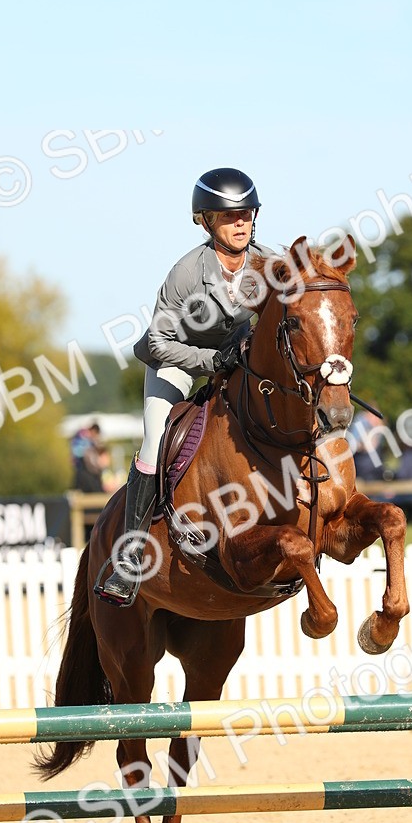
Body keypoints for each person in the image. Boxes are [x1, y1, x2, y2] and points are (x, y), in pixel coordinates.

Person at [98, 167, 271, 605]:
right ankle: (129, 559)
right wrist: (210, 362)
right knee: (155, 440)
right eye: (229, 216)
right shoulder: (187, 272)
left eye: (247, 214)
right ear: (206, 221)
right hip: (177, 359)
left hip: (235, 360)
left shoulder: (268, 264)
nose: (241, 223)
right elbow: (159, 341)